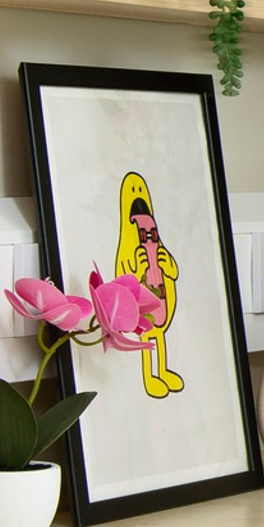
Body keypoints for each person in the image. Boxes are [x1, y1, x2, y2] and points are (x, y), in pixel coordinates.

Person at [112, 170, 183, 402]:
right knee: (146, 341)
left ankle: (162, 371)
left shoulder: (157, 244)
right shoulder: (128, 253)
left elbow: (173, 271)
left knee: (159, 337)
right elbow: (123, 281)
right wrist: (139, 273)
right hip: (145, 313)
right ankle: (149, 376)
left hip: (162, 303)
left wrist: (167, 264)